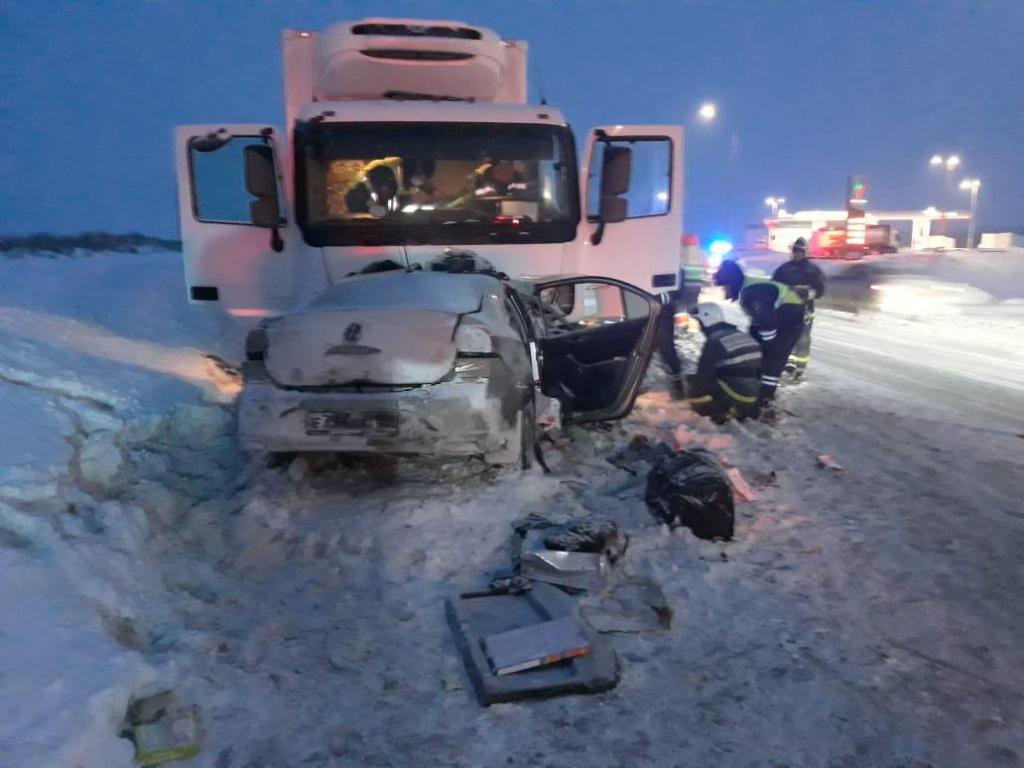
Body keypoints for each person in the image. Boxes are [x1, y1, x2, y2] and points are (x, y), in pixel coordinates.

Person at [713, 260, 807, 422]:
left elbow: (768, 323)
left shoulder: (752, 293)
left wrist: (768, 346)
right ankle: (754, 392)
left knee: (773, 360)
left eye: (725, 286)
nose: (725, 290)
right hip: (778, 315)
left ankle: (765, 402)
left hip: (791, 318)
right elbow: (758, 321)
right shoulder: (747, 289)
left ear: (732, 281)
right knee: (759, 354)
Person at [685, 303, 762, 423]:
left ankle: (715, 414)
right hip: (753, 392)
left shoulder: (715, 339)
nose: (699, 327)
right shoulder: (741, 334)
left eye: (699, 322)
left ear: (707, 319)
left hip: (738, 392)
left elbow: (703, 373)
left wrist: (692, 396)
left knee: (694, 382)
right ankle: (741, 409)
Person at [772, 237, 826, 381]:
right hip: (785, 311)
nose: (797, 254)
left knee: (802, 339)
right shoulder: (784, 269)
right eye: (795, 251)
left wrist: (807, 293)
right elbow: (774, 286)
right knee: (785, 338)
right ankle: (787, 365)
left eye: (800, 251)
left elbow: (820, 290)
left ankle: (800, 369)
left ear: (805, 252)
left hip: (805, 310)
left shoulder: (812, 270)